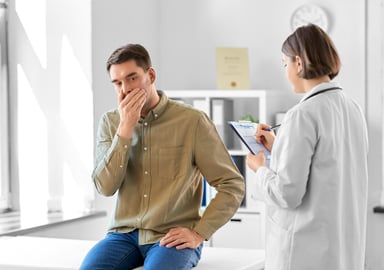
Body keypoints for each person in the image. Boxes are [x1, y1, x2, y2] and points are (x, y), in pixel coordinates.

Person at [79, 43, 245, 270]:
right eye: (117, 83)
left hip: (171, 238)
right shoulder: (110, 123)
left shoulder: (192, 121)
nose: (125, 90)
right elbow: (105, 187)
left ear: (151, 75)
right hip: (123, 235)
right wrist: (125, 129)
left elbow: (231, 184)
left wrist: (199, 232)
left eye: (132, 78)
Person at [246, 24, 368, 270]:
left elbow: (287, 193)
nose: (286, 71)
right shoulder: (352, 108)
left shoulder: (302, 114)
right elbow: (329, 164)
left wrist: (259, 169)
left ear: (298, 63)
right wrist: (279, 145)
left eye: (285, 64)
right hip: (342, 251)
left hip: (304, 253)